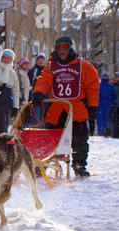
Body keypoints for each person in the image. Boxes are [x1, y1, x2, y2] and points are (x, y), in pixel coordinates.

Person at [33, 36, 100, 177]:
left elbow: (92, 87)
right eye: (58, 47)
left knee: (79, 139)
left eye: (65, 47)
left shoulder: (84, 66)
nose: (62, 51)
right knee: (49, 138)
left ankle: (79, 165)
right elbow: (43, 80)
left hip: (77, 109)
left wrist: (92, 107)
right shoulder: (51, 66)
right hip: (56, 109)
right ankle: (43, 165)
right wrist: (38, 92)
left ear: (71, 48)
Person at [0, 49, 20, 136]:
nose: (6, 60)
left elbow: (16, 91)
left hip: (4, 104)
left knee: (2, 127)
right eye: (4, 57)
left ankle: (1, 145)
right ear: (1, 58)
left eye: (8, 58)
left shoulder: (13, 74)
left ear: (11, 60)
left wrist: (15, 106)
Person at [28, 53, 48, 125]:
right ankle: (36, 131)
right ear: (36, 61)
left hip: (46, 97)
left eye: (43, 60)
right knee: (36, 117)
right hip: (36, 97)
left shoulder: (48, 71)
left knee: (46, 117)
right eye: (40, 60)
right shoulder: (32, 71)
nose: (41, 61)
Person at [97, 72, 116, 136]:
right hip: (100, 102)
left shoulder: (110, 87)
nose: (105, 78)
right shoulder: (98, 85)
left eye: (106, 76)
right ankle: (100, 131)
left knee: (106, 117)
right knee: (100, 117)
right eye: (104, 76)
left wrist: (113, 104)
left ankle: (105, 130)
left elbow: (113, 96)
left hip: (107, 102)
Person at [112, 72, 119, 138]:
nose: (116, 78)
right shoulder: (113, 86)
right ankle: (116, 133)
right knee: (115, 120)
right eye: (116, 77)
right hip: (115, 105)